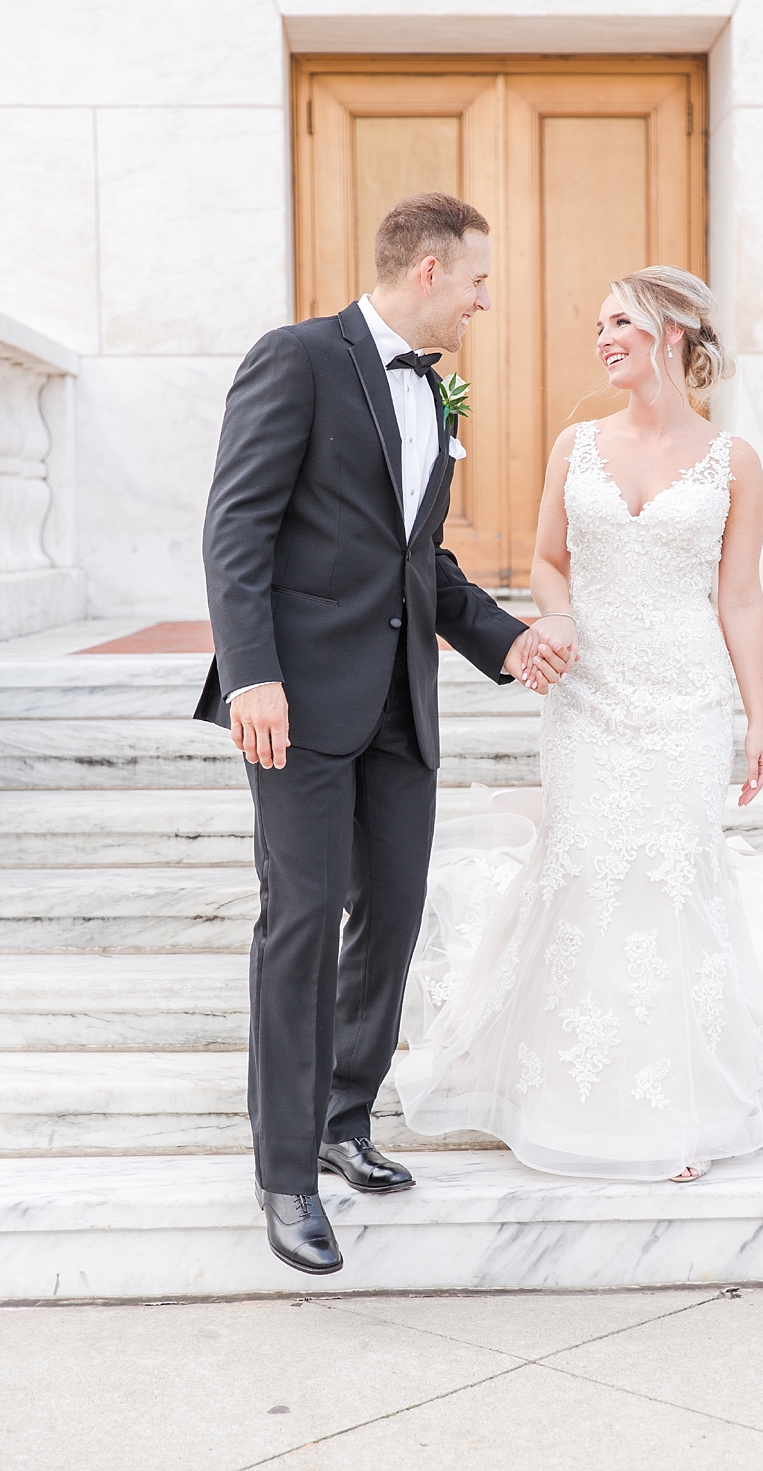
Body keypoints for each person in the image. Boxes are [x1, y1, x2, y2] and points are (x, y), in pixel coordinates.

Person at [393, 266, 763, 1184]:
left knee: (668, 870)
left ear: (673, 332)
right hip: (590, 692)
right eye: (599, 322)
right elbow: (546, 560)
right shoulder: (576, 445)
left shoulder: (737, 461)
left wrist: (758, 716)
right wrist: (556, 617)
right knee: (586, 860)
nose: (603, 337)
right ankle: (562, 1089)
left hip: (685, 696)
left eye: (620, 321)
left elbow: (741, 595)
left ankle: (676, 1105)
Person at [196, 191, 569, 1277]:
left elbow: (421, 563)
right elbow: (236, 526)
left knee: (393, 915)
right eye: (479, 281)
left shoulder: (436, 397)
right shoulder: (299, 359)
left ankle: (342, 1118)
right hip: (298, 704)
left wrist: (507, 641)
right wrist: (251, 678)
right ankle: (283, 1175)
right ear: (427, 274)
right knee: (303, 919)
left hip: (402, 701)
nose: (485, 301)